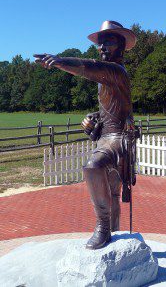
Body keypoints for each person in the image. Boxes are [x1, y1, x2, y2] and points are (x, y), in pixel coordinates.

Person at [34, 20, 137, 249]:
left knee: (93, 166)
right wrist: (94, 119)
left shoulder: (115, 70)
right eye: (100, 44)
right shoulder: (106, 78)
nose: (102, 48)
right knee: (111, 192)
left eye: (108, 42)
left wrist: (60, 62)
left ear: (120, 46)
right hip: (106, 137)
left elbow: (87, 67)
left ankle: (103, 225)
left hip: (118, 140)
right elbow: (112, 109)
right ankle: (114, 232)